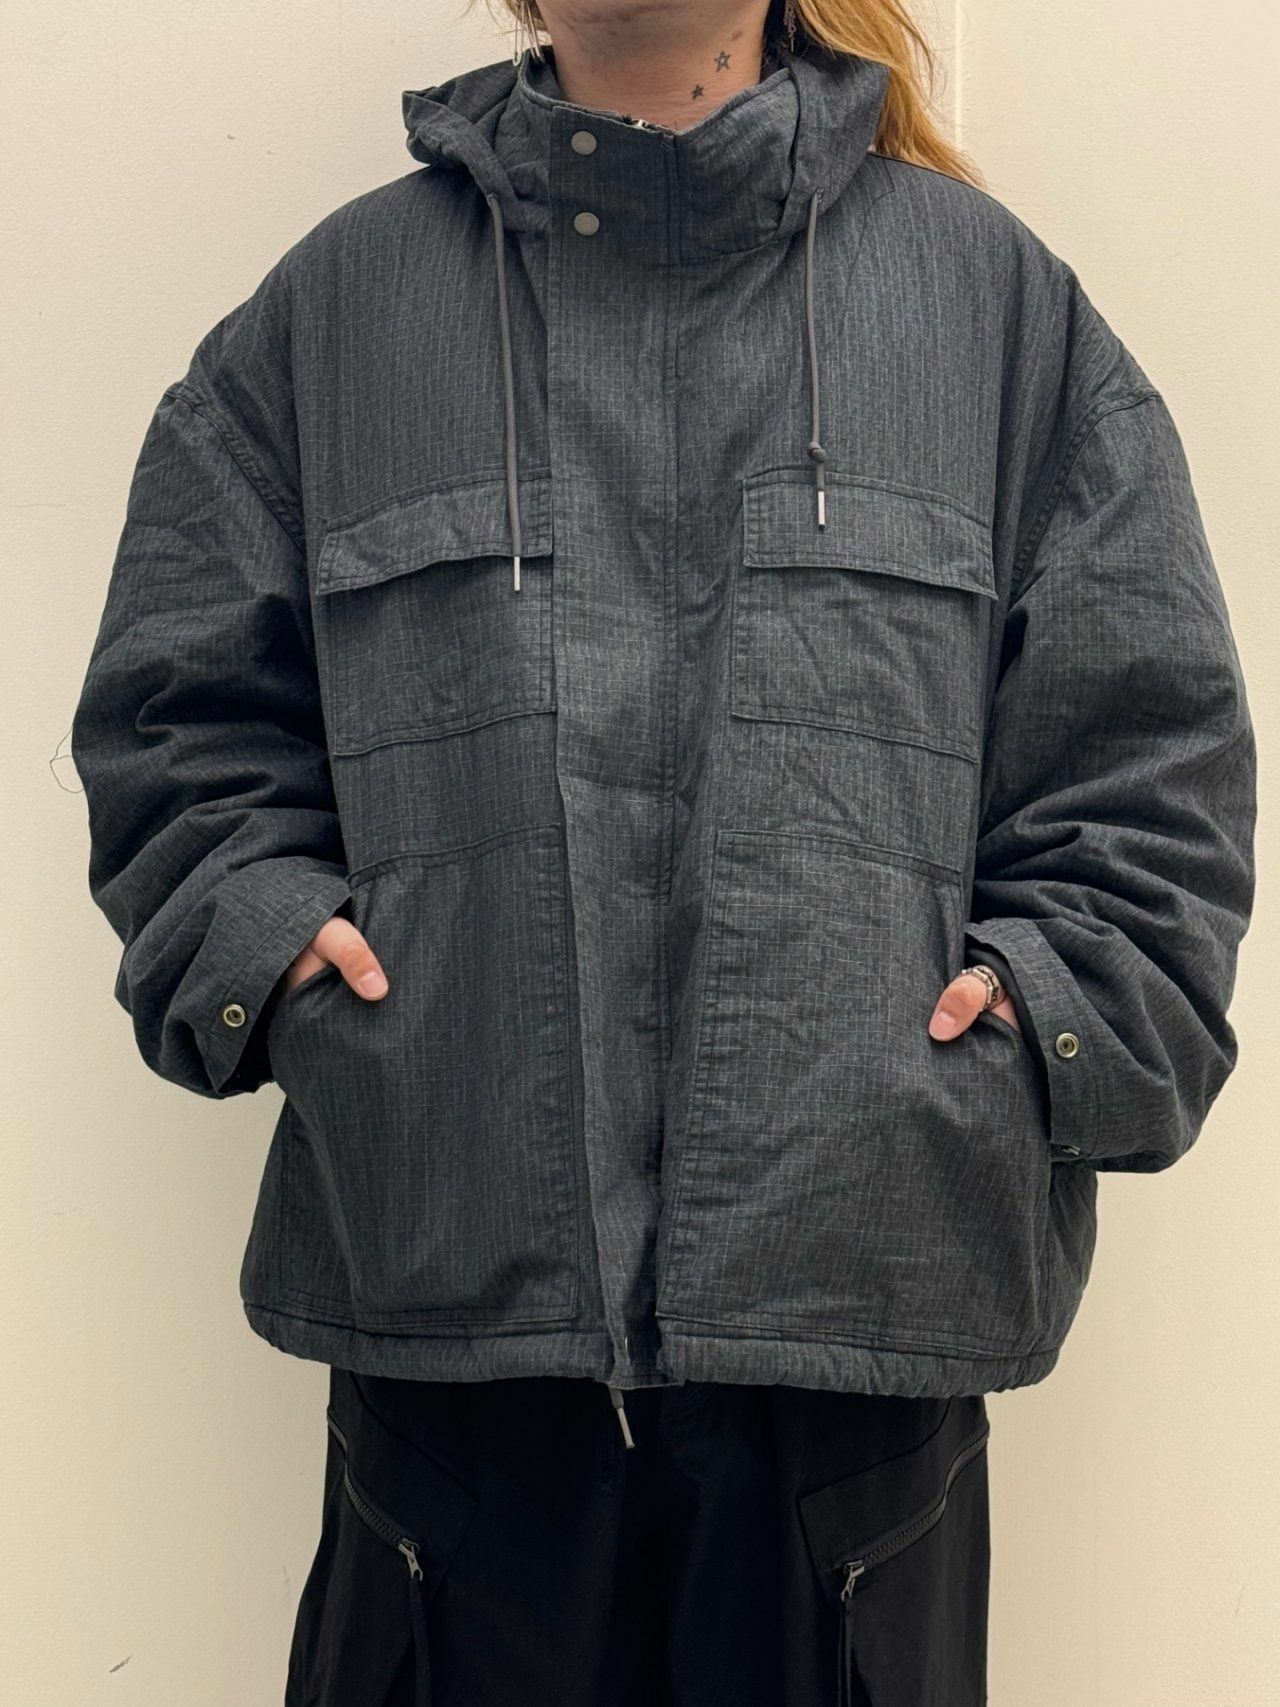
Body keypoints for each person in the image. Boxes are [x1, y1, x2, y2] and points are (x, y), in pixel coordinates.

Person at [70, 0, 1257, 1701]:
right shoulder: (334, 320)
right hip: (449, 1382)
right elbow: (173, 720)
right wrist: (274, 949)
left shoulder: (997, 314)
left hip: (857, 1392)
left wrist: (1035, 1019)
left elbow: (1151, 760)